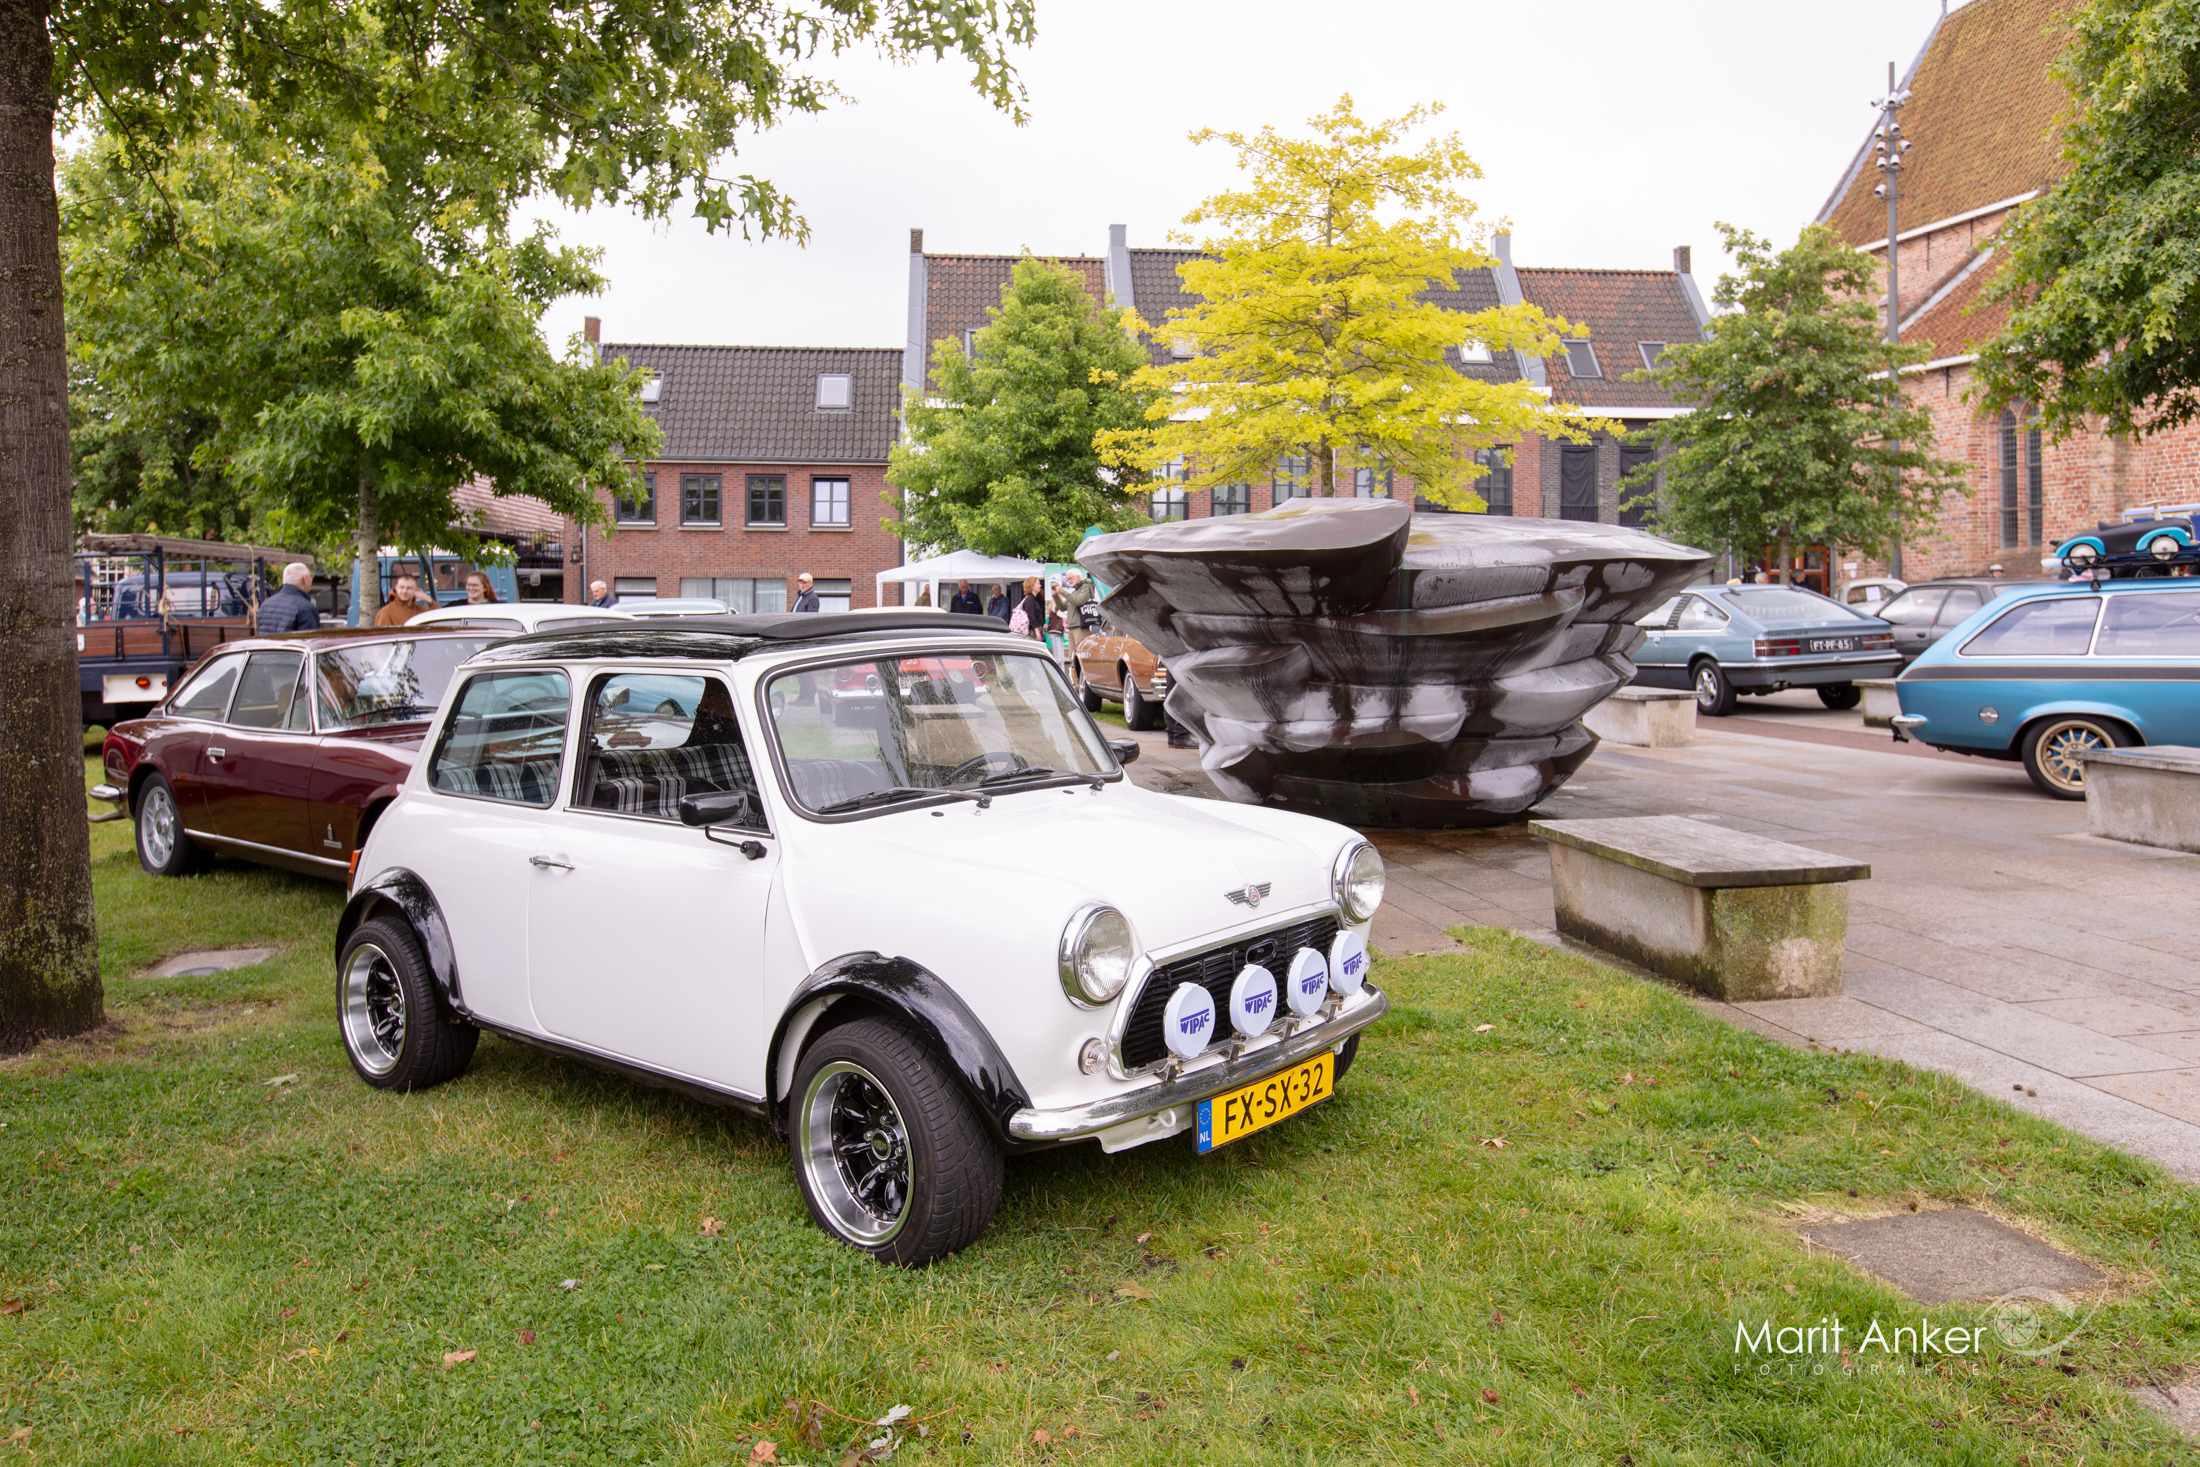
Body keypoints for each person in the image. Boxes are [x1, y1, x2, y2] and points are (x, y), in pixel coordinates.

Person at [257, 562, 321, 634]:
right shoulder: (305, 607)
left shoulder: (266, 604)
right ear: (304, 579)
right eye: (311, 576)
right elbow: (310, 638)